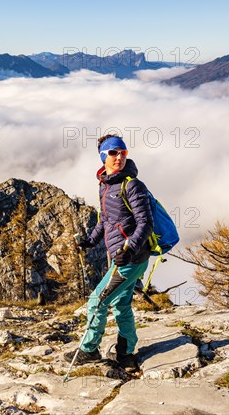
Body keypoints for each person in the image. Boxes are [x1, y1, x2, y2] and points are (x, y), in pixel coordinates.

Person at [64, 134, 153, 371]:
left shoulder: (132, 185)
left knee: (96, 301)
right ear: (103, 156)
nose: (119, 157)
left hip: (131, 259)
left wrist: (129, 248)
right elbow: (105, 219)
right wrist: (90, 241)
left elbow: (145, 223)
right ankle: (126, 353)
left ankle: (89, 349)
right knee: (122, 305)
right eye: (113, 153)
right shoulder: (106, 185)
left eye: (122, 152)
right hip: (126, 257)